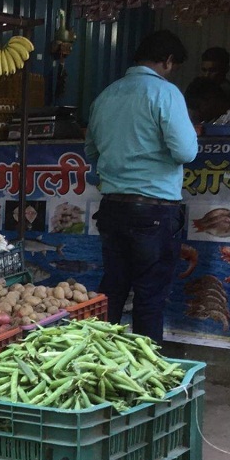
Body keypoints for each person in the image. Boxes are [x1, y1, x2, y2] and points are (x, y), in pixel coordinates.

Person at [85, 29, 198, 343]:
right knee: (149, 295)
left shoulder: (105, 95)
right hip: (154, 210)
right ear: (168, 61)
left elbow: (91, 152)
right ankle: (146, 375)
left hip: (113, 208)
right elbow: (186, 152)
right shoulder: (166, 93)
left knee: (113, 289)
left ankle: (97, 362)